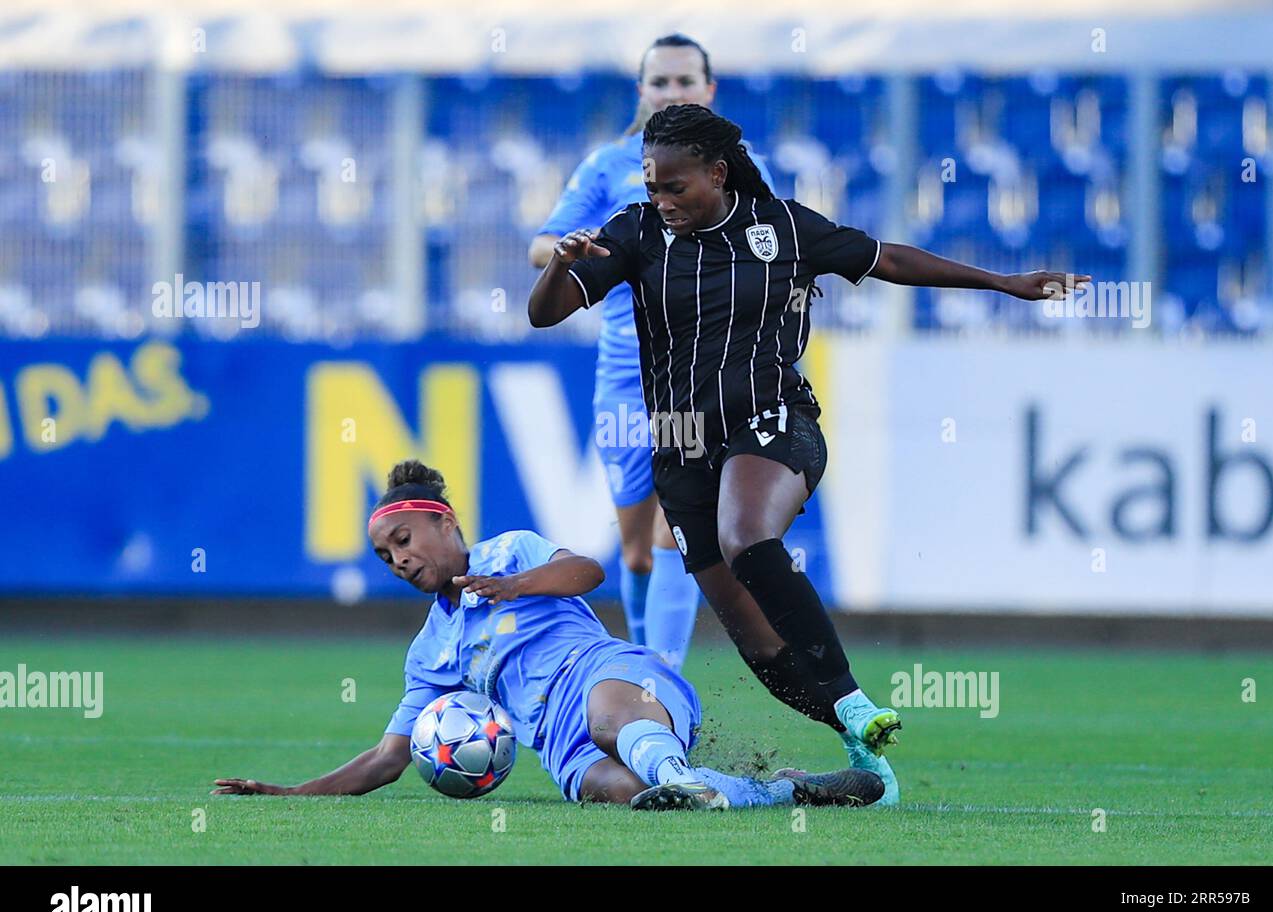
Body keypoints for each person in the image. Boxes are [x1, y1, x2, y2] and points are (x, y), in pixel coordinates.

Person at [527, 103, 1093, 807]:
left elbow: (889, 259)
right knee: (762, 648)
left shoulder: (783, 228)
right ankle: (863, 755)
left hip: (774, 422)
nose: (662, 201)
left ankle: (853, 702)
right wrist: (560, 264)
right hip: (680, 447)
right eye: (652, 186)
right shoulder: (636, 233)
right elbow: (544, 312)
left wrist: (1003, 283)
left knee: (747, 535)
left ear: (717, 172)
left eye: (676, 187)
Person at [212, 459, 885, 811]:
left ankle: (680, 775)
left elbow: (590, 570)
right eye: (386, 557)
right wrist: (294, 793)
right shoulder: (432, 651)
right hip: (557, 743)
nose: (400, 560)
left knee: (608, 718)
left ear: (445, 522)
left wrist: (514, 587)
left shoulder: (513, 552)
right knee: (624, 795)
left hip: (616, 676)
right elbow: (389, 757)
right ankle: (783, 790)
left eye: (404, 540)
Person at [528, 34, 772, 673]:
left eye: (685, 82)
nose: (672, 92)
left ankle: (656, 681)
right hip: (624, 373)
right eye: (660, 82)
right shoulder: (608, 166)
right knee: (636, 548)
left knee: (676, 531)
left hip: (701, 373)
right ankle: (643, 664)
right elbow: (540, 244)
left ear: (708, 91)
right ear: (642, 91)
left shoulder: (744, 172)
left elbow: (778, 245)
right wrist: (569, 251)